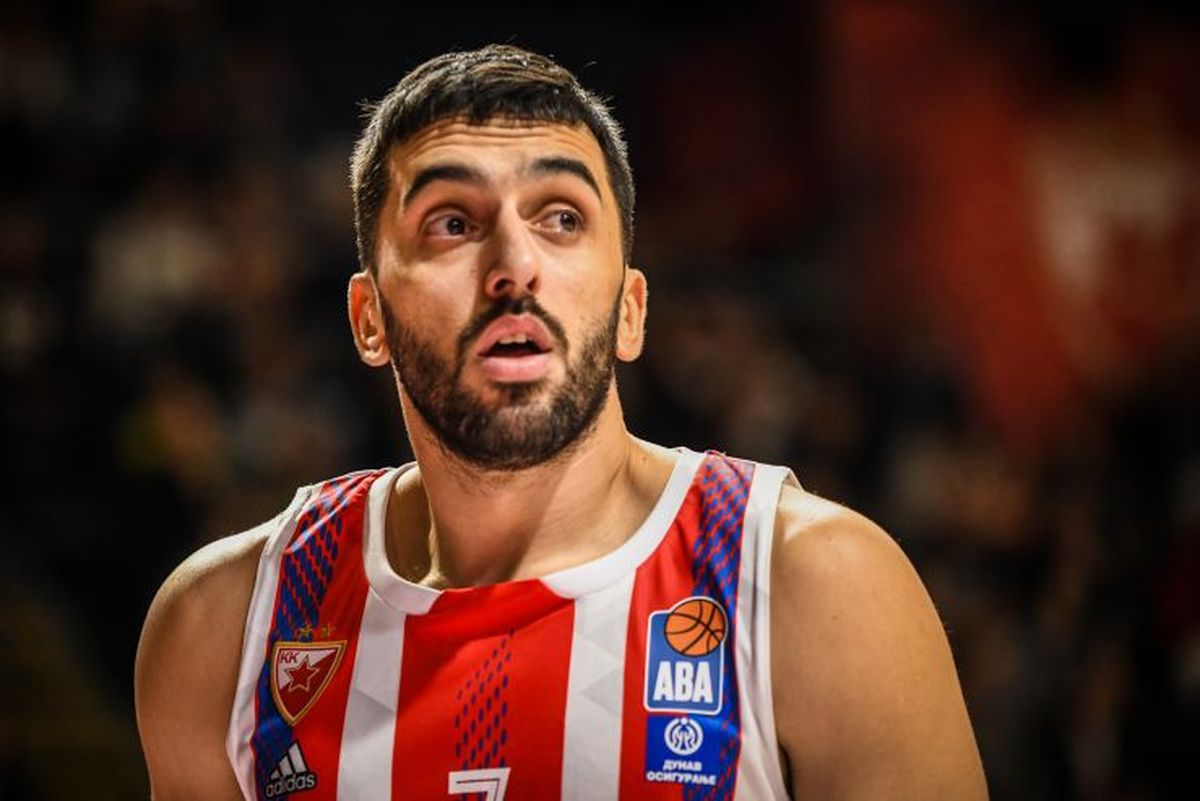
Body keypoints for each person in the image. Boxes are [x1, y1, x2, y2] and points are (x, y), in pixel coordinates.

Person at [135, 44, 987, 800]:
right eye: (452, 223)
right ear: (369, 319)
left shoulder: (816, 587)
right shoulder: (225, 629)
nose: (515, 265)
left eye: (561, 218)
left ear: (630, 309)